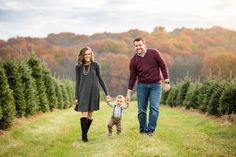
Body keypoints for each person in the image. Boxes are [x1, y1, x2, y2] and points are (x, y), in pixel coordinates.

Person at [126, 37, 170, 136]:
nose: (138, 47)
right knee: (141, 110)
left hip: (156, 85)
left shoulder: (154, 53)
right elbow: (132, 78)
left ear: (144, 45)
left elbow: (163, 66)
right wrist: (128, 94)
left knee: (154, 108)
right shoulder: (133, 61)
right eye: (136, 46)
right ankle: (143, 131)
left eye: (140, 45)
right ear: (134, 47)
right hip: (142, 86)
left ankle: (150, 131)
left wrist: (166, 81)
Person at [75, 46, 111, 142]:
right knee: (84, 113)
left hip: (94, 92)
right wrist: (76, 97)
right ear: (82, 56)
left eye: (89, 54)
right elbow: (77, 82)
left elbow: (100, 79)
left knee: (90, 114)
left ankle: (84, 133)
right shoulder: (78, 67)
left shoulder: (95, 65)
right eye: (85, 54)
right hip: (83, 93)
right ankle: (84, 136)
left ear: (91, 55)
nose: (87, 56)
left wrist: (107, 93)